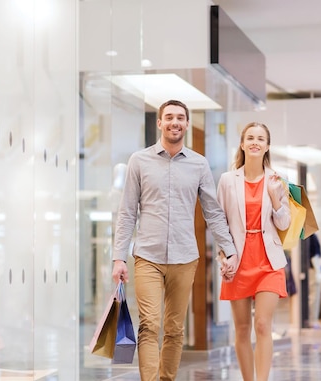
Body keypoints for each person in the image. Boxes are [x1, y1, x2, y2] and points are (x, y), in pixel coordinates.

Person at [112, 100, 237, 381]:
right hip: (148, 257)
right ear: (159, 123)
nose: (174, 122)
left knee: (175, 328)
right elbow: (127, 212)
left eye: (180, 118)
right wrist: (119, 257)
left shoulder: (199, 164)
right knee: (149, 325)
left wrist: (228, 250)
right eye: (169, 117)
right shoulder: (139, 161)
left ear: (187, 124)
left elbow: (213, 212)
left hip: (185, 257)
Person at [216, 122, 291, 381]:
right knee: (242, 328)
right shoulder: (227, 180)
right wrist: (224, 254)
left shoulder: (277, 180)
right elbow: (219, 223)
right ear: (242, 143)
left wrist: (277, 197)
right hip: (239, 261)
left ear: (268, 145)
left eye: (260, 138)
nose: (255, 142)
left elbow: (284, 224)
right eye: (250, 138)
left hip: (269, 261)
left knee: (262, 325)